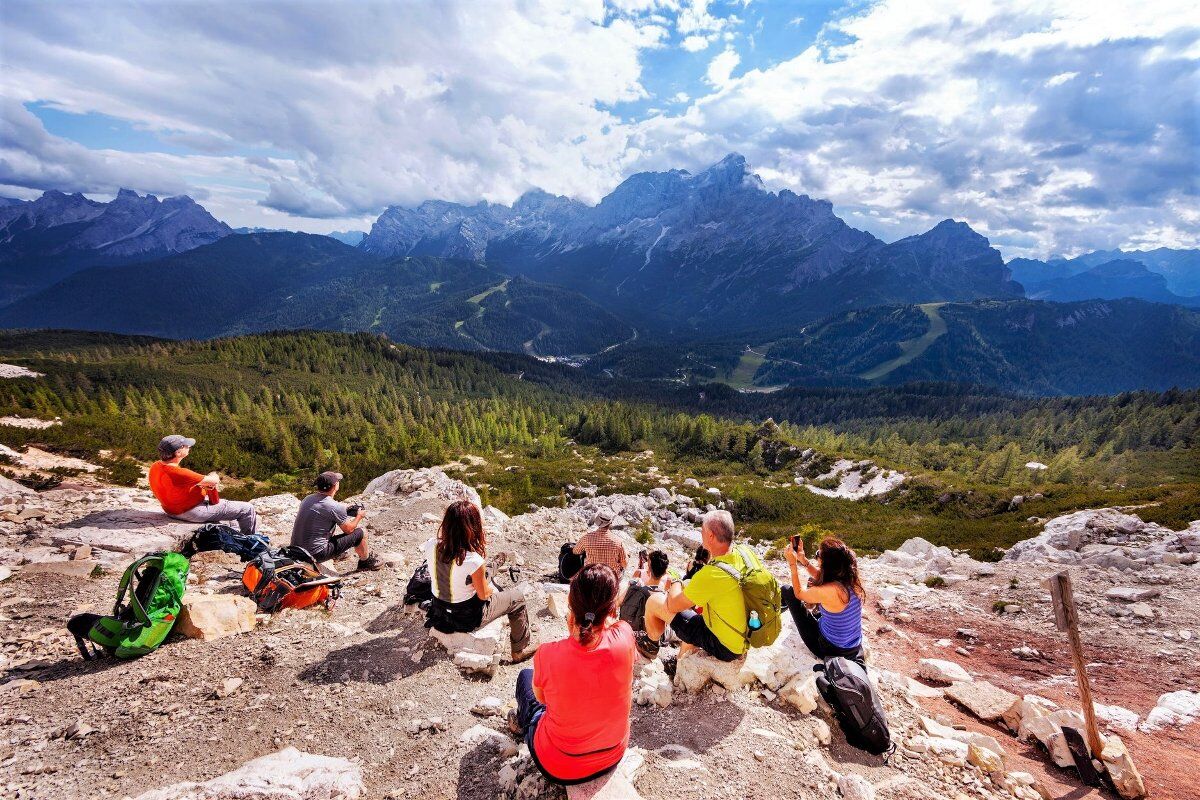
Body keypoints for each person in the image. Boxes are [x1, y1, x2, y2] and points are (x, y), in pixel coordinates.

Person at [509, 564, 635, 785]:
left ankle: (521, 724)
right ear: (609, 612)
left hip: (559, 765)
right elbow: (611, 624)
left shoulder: (548, 653)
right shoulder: (625, 636)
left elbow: (542, 700)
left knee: (525, 679)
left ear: (571, 607)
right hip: (613, 754)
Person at [638, 510, 763, 662]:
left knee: (655, 601)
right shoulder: (745, 553)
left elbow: (672, 605)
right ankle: (679, 662)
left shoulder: (712, 573)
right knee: (696, 620)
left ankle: (650, 645)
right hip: (745, 635)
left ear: (711, 535)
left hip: (725, 646)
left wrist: (676, 580)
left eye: (702, 530)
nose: (701, 533)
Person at [424, 499, 538, 662]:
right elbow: (484, 595)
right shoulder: (473, 560)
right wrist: (489, 588)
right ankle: (519, 651)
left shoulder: (431, 545)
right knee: (517, 598)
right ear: (472, 527)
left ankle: (496, 564)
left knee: (482, 574)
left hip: (439, 611)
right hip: (465, 618)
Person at [148, 435, 259, 535]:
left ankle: (234, 535)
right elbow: (213, 481)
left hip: (170, 510)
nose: (188, 447)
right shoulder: (179, 472)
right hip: (190, 512)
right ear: (177, 453)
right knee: (247, 509)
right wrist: (214, 475)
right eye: (185, 446)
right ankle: (251, 541)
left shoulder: (155, 466)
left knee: (230, 510)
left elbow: (174, 486)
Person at [783, 536, 866, 665]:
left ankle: (781, 606)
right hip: (852, 647)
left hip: (830, 649)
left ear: (828, 564)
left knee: (787, 590)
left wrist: (792, 564)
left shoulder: (831, 591)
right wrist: (803, 559)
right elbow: (821, 576)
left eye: (818, 554)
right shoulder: (851, 580)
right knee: (816, 587)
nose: (816, 557)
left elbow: (799, 594)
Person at [291, 471, 378, 571]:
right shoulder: (335, 507)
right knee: (361, 533)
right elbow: (349, 530)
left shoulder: (307, 499)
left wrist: (343, 511)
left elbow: (323, 510)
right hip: (315, 554)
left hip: (296, 550)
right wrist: (359, 516)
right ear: (335, 485)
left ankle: (337, 554)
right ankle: (365, 562)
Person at [619, 550, 669, 632]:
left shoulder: (635, 586)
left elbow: (619, 603)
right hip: (649, 634)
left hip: (628, 629)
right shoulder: (664, 597)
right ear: (664, 572)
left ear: (649, 568)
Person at [572, 509, 627, 575]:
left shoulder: (586, 538)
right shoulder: (618, 541)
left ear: (598, 521)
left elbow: (575, 551)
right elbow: (624, 564)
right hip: (611, 575)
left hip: (592, 575)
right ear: (610, 523)